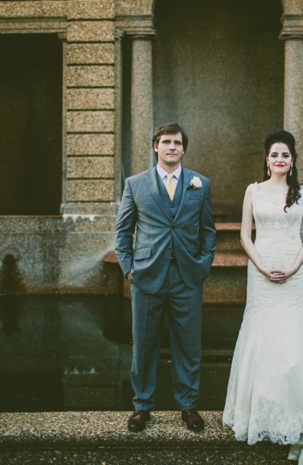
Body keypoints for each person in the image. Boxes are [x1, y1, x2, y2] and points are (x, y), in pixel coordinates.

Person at [223, 130, 303, 464]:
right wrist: (262, 265)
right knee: (263, 337)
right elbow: (244, 234)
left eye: (285, 155)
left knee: (293, 342)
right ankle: (260, 415)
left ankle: (297, 415)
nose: (279, 160)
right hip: (262, 268)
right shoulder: (253, 191)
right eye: (274, 155)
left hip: (294, 269)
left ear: (292, 161)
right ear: (266, 159)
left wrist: (296, 266)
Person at [115, 122, 217, 432]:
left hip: (187, 277)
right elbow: (123, 231)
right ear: (156, 147)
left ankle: (188, 406)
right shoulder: (135, 184)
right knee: (144, 344)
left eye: (177, 142)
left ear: (183, 148)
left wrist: (202, 264)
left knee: (188, 345)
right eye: (166, 142)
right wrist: (129, 267)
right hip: (147, 275)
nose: (172, 147)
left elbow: (208, 231)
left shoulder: (201, 183)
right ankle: (142, 406)